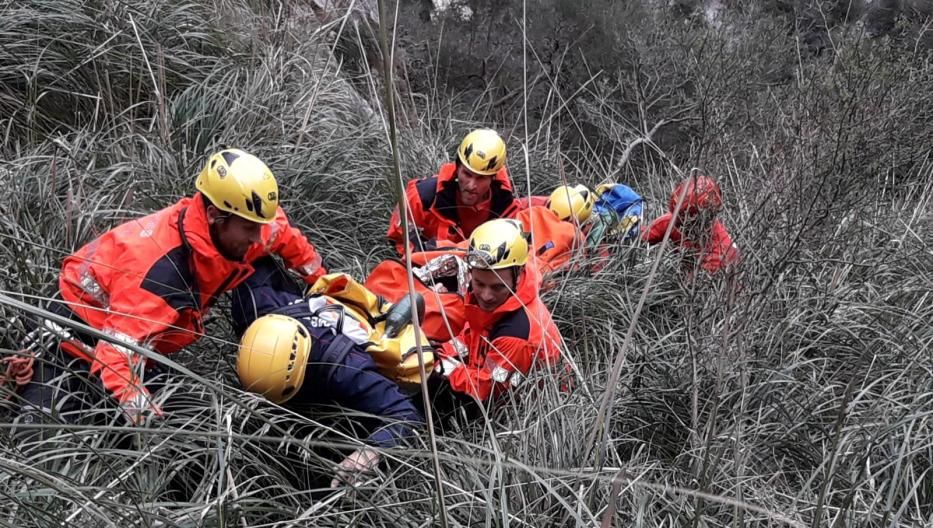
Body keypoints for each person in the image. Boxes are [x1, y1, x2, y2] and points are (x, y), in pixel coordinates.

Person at [13, 148, 328, 428]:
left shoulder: (247, 224)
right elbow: (115, 357)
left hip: (135, 329)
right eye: (250, 229)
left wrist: (323, 285)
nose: (260, 237)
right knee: (43, 434)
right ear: (215, 216)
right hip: (74, 333)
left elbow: (285, 237)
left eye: (261, 226)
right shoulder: (161, 276)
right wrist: (149, 425)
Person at [232, 259, 424, 486]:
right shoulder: (253, 304)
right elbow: (253, 260)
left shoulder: (344, 367)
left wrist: (371, 453)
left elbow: (404, 413)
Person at [431, 218, 564, 405]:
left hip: (518, 409)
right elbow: (468, 337)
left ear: (517, 276)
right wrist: (435, 352)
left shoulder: (517, 332)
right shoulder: (499, 303)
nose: (485, 296)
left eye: (497, 287)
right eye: (479, 283)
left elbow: (488, 390)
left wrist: (436, 365)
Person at [386, 128, 520, 256]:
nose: (471, 185)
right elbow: (398, 238)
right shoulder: (422, 198)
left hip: (483, 275)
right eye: (467, 174)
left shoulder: (506, 208)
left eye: (481, 178)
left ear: (493, 177)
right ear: (457, 168)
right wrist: (421, 255)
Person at [643, 174, 739, 274]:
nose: (678, 224)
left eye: (685, 219)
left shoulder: (720, 253)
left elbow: (695, 286)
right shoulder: (672, 221)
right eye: (677, 216)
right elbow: (641, 235)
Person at [515, 184, 595, 278]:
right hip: (534, 275)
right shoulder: (575, 235)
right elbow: (580, 264)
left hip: (508, 262)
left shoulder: (531, 210)